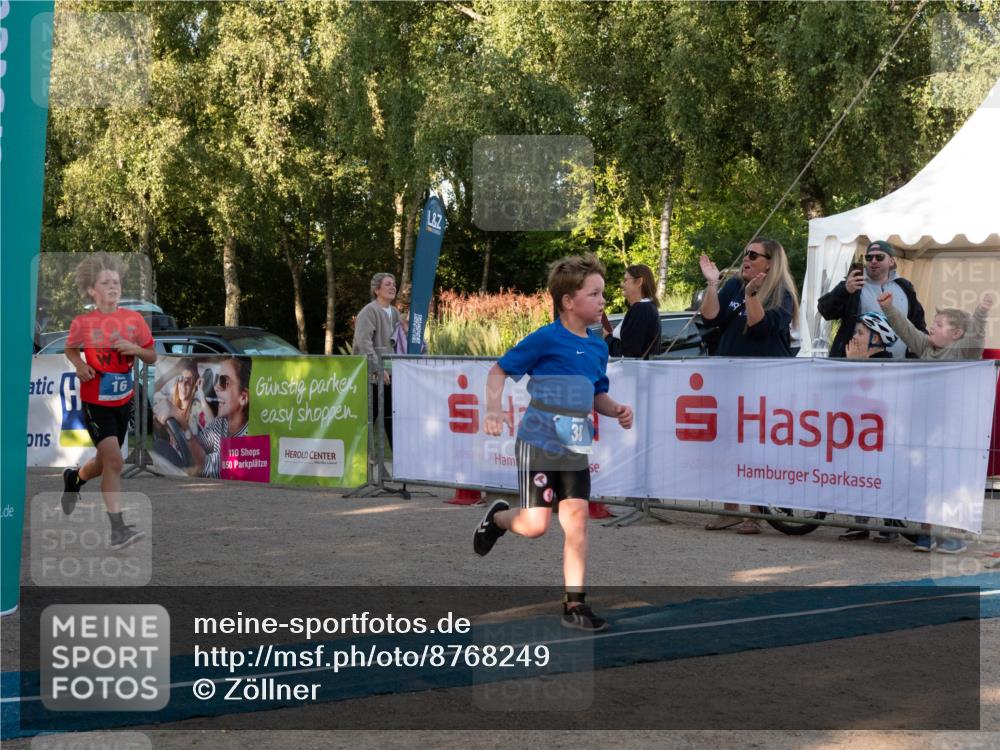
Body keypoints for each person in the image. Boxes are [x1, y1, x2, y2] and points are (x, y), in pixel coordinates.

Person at [474, 253, 634, 632]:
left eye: (602, 294)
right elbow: (498, 371)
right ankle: (497, 518)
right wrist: (494, 409)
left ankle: (574, 605)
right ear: (568, 301)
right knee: (535, 526)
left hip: (575, 442)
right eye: (594, 294)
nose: (602, 301)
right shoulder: (546, 338)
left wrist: (616, 410)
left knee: (577, 522)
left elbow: (596, 394)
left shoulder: (598, 347)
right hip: (539, 443)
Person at [879, 289, 996, 554]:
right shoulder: (925, 348)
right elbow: (907, 330)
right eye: (934, 323)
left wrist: (981, 312)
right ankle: (926, 533)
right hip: (925, 430)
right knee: (926, 483)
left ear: (956, 335)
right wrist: (889, 310)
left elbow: (976, 336)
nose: (932, 327)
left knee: (952, 484)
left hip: (955, 432)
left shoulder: (962, 352)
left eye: (940, 325)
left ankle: (955, 536)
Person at [698, 237, 800, 534]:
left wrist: (752, 295)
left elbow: (760, 325)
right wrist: (713, 284)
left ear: (770, 262)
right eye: (745, 253)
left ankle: (755, 514)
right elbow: (710, 316)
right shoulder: (733, 285)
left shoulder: (782, 294)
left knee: (756, 449)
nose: (746, 259)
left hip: (764, 384)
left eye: (754, 255)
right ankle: (730, 509)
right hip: (729, 379)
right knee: (727, 445)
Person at [60, 252, 156, 550]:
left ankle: (75, 478)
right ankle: (118, 532)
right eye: (106, 282)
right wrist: (79, 365)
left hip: (122, 401)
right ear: (93, 290)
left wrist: (134, 349)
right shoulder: (83, 322)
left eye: (116, 281)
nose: (113, 286)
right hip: (95, 401)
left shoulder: (134, 320)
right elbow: (71, 349)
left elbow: (151, 356)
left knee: (104, 464)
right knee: (115, 461)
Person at [839, 312, 904, 542]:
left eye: (860, 333)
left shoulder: (887, 364)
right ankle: (860, 522)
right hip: (859, 433)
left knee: (884, 476)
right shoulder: (853, 359)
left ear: (877, 339)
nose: (854, 337)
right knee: (858, 474)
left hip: (883, 434)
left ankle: (891, 521)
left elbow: (875, 400)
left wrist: (858, 366)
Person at [818, 240, 926, 359]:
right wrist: (845, 290)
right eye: (869, 257)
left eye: (879, 257)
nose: (873, 261)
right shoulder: (854, 284)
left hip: (900, 364)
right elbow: (825, 310)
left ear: (891, 261)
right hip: (860, 363)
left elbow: (918, 324)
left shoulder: (905, 287)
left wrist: (920, 353)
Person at [353, 272, 401, 448]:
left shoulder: (395, 312)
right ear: (377, 290)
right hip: (372, 376)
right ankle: (359, 461)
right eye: (388, 284)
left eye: (394, 284)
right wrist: (377, 369)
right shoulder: (368, 312)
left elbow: (400, 341)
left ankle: (397, 463)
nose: (392, 287)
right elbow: (363, 343)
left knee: (390, 418)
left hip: (390, 376)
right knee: (367, 421)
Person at [183, 356, 252, 478]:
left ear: (243, 398)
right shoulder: (221, 423)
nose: (216, 387)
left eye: (224, 381)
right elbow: (197, 445)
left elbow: (203, 465)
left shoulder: (250, 435)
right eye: (217, 380)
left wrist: (179, 421)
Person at [151, 358, 207, 469]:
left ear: (194, 385)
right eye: (180, 379)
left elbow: (202, 439)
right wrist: (175, 371)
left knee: (159, 445)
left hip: (190, 462)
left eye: (188, 381)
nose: (183, 384)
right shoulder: (173, 403)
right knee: (159, 444)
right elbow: (153, 390)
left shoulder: (197, 409)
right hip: (175, 458)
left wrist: (179, 417)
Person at [602, 263, 661, 358]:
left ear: (639, 282)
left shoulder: (641, 309)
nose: (622, 284)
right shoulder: (646, 308)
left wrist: (608, 338)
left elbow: (628, 354)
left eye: (625, 280)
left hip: (631, 371)